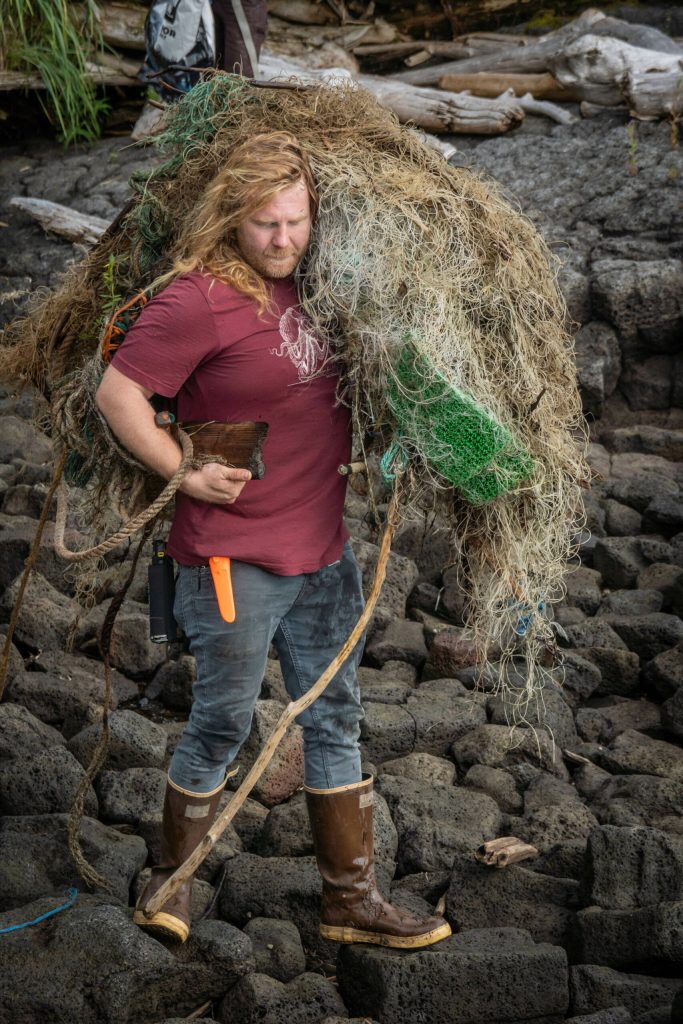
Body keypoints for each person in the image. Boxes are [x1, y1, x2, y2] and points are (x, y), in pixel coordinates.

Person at [95, 131, 451, 950]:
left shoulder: (326, 288)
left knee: (335, 716)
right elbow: (119, 395)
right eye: (264, 225)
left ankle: (349, 902)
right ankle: (172, 881)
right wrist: (181, 469)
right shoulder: (197, 299)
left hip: (324, 550)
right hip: (231, 555)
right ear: (231, 221)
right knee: (221, 720)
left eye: (295, 221)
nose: (283, 240)